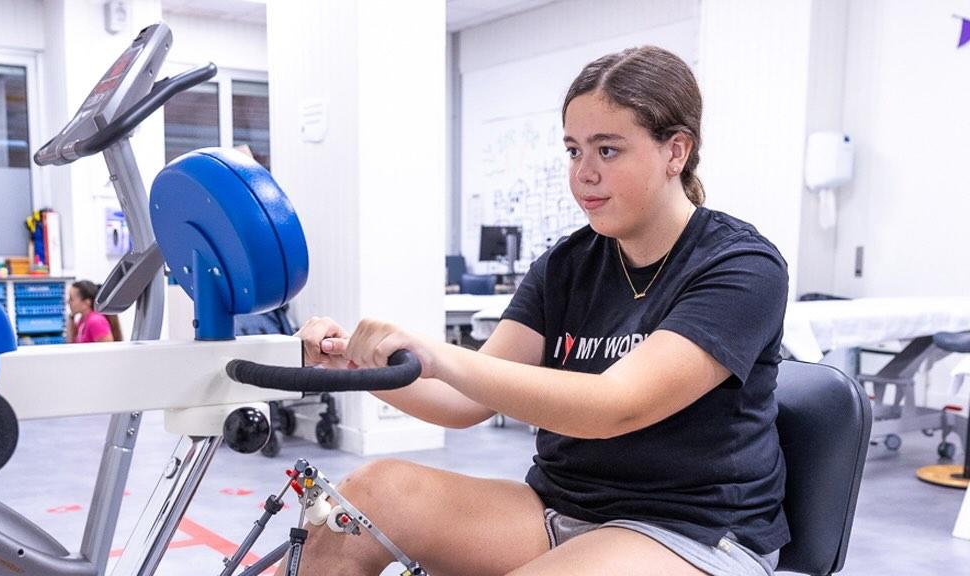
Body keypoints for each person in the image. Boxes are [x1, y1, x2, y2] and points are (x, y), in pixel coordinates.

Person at [283, 45, 789, 576]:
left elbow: (617, 405)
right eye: (574, 151)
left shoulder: (740, 266)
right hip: (558, 509)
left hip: (689, 530)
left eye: (607, 151)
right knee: (361, 500)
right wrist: (360, 370)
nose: (583, 174)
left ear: (675, 151)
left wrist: (437, 352)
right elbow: (461, 401)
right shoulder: (567, 264)